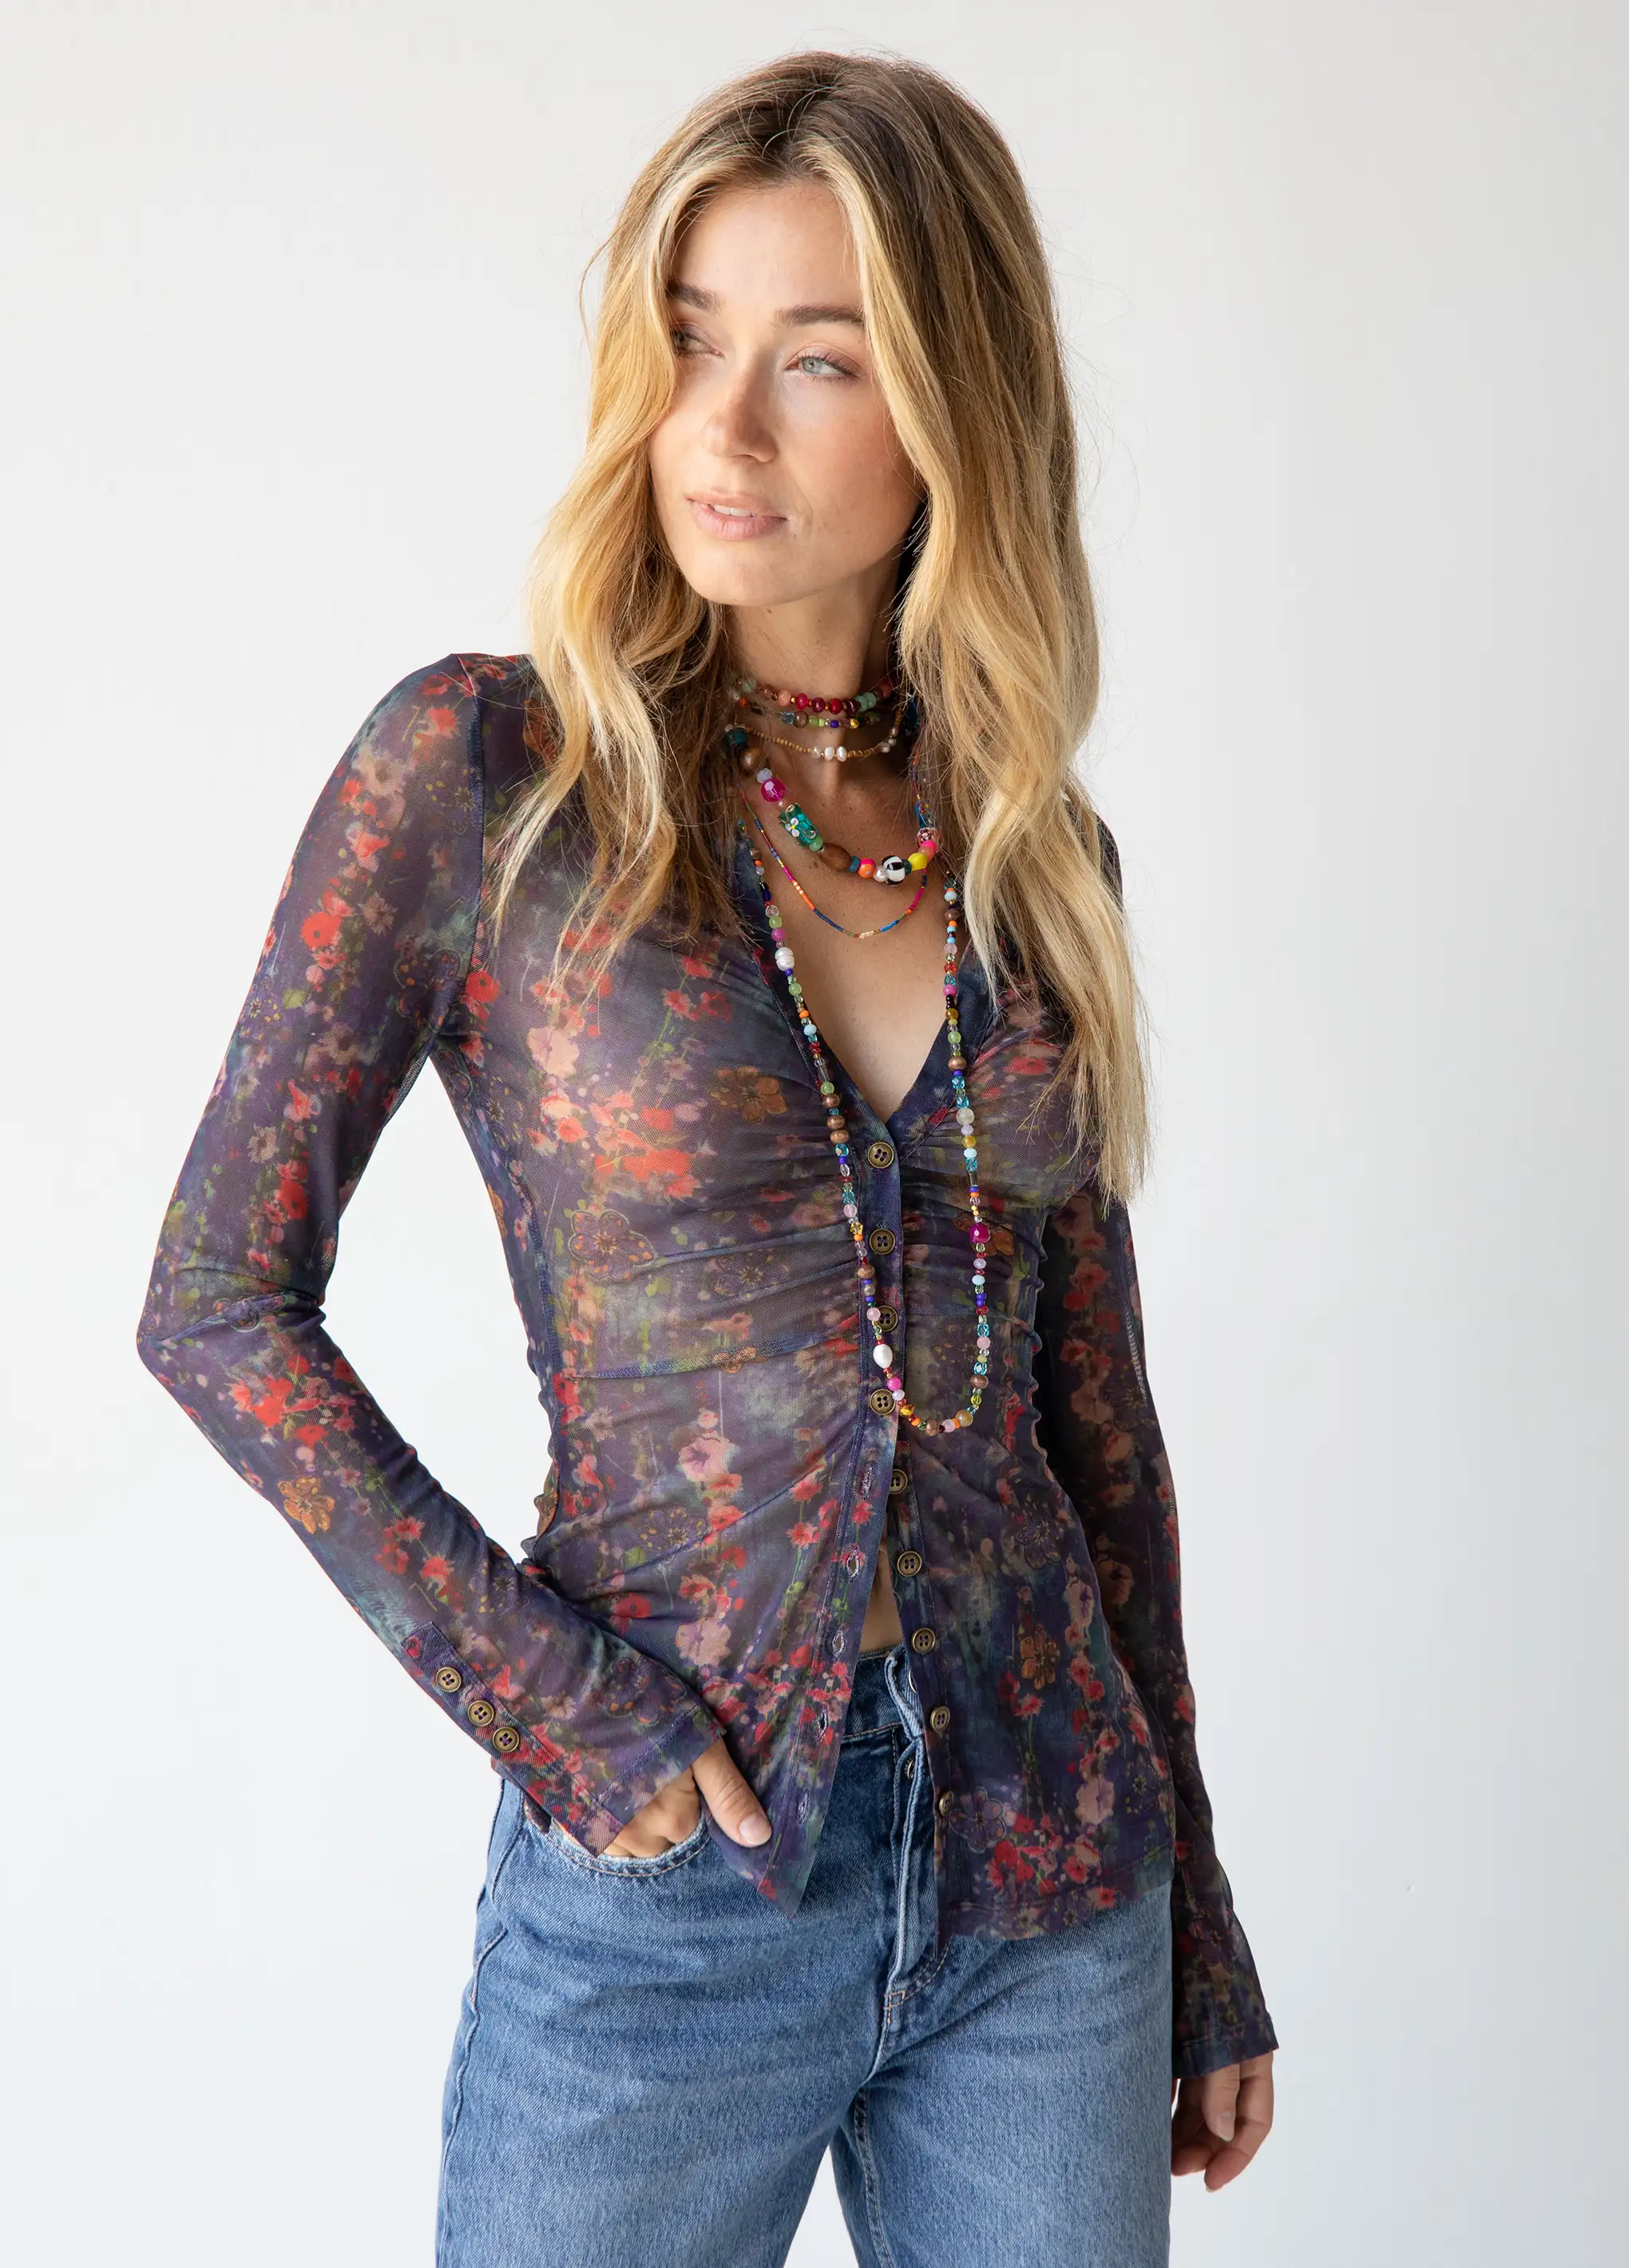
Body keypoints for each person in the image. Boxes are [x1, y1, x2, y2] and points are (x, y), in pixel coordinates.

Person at [137, 50, 1276, 2268]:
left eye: (818, 359)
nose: (721, 428)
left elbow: (1098, 1433)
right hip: (678, 1885)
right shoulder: (488, 773)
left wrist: (1204, 1917)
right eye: (688, 340)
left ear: (953, 412)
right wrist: (561, 1708)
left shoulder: (1038, 855)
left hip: (1056, 1892)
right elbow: (214, 1305)